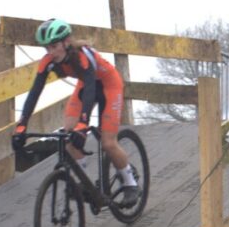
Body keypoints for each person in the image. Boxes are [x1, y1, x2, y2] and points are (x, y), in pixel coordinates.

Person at [12, 18, 138, 205]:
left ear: (66, 42)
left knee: (108, 143)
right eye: (47, 48)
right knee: (69, 135)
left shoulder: (82, 56)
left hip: (108, 86)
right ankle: (85, 184)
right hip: (85, 87)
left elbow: (89, 89)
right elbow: (35, 92)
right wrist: (22, 124)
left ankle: (130, 182)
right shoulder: (48, 62)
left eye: (54, 46)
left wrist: (83, 123)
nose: (51, 52)